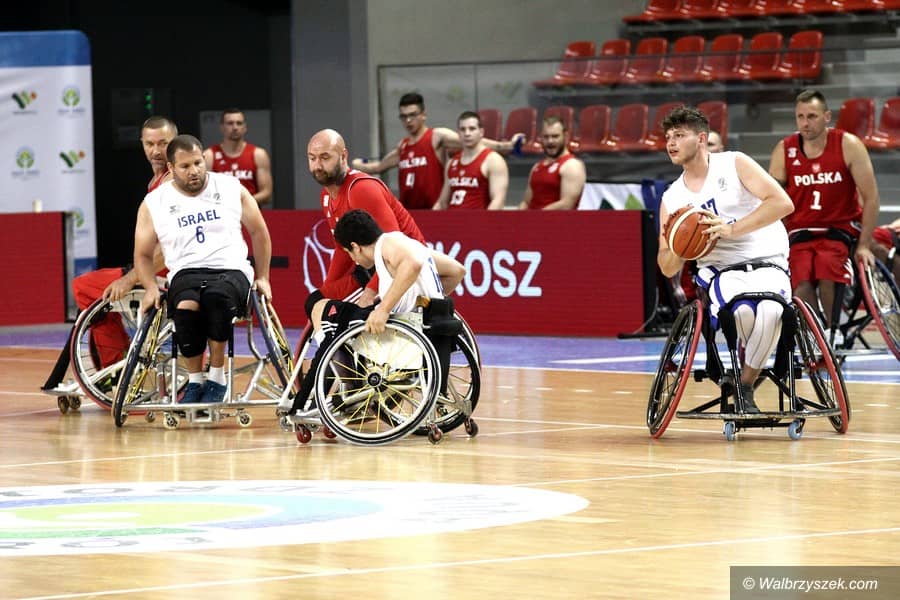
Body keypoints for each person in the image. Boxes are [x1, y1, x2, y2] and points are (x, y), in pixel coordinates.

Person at [658, 106, 794, 412]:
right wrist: (682, 245)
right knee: (743, 313)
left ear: (701, 139)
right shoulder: (672, 197)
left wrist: (731, 229)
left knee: (771, 310)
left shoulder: (734, 163)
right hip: (722, 269)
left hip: (767, 256)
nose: (671, 143)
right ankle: (747, 381)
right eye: (668, 137)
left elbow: (782, 203)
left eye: (679, 135)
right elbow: (666, 266)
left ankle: (744, 385)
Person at [41, 116, 177, 392]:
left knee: (84, 287)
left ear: (175, 142)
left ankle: (116, 365)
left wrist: (130, 279)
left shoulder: (171, 183)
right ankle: (115, 362)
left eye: (163, 143)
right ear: (142, 144)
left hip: (162, 271)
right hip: (152, 267)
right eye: (149, 144)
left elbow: (171, 247)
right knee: (93, 289)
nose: (155, 150)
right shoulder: (157, 181)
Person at [134, 134, 272, 405]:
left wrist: (264, 277)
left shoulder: (231, 188)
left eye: (198, 163)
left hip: (230, 269)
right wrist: (150, 287)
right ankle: (196, 380)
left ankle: (217, 376)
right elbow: (142, 254)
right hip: (186, 272)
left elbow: (259, 232)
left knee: (216, 299)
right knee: (185, 308)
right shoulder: (155, 202)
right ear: (171, 168)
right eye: (185, 166)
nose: (194, 171)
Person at [769, 89, 880, 330]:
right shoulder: (784, 149)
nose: (805, 123)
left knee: (828, 272)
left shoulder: (848, 145)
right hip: (799, 231)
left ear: (827, 116)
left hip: (839, 229)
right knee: (801, 283)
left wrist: (864, 245)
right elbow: (772, 199)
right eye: (800, 117)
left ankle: (833, 332)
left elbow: (871, 197)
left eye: (812, 116)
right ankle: (817, 334)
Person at [306, 128, 427, 312]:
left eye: (325, 157)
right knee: (317, 301)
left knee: (333, 311)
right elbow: (342, 249)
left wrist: (370, 293)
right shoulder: (326, 196)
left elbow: (395, 245)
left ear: (343, 156)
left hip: (401, 270)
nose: (318, 166)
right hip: (372, 268)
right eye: (312, 158)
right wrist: (328, 289)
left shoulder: (361, 189)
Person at [351, 93, 522, 209]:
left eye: (413, 115)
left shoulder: (437, 137)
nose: (408, 120)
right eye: (404, 116)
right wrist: (357, 164)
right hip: (409, 214)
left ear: (423, 115)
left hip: (432, 212)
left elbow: (471, 139)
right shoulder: (403, 146)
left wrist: (506, 146)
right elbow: (378, 167)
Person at [433, 111, 509, 210]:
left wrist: (484, 220)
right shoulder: (452, 162)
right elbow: (442, 203)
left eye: (472, 129)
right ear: (458, 133)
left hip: (478, 219)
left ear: (481, 132)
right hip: (452, 218)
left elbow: (498, 201)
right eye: (463, 129)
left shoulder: (493, 161)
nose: (467, 133)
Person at [203, 108, 273, 207]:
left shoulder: (259, 155)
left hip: (250, 212)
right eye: (230, 123)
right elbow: (203, 192)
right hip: (221, 211)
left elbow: (267, 193)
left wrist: (241, 202)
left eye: (239, 123)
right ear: (222, 127)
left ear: (245, 127)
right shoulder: (209, 155)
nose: (235, 127)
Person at [519, 115, 586, 210]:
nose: (550, 141)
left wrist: (537, 216)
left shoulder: (572, 165)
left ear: (566, 136)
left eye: (555, 136)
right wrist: (517, 217)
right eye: (546, 137)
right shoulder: (537, 167)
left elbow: (567, 204)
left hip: (553, 219)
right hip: (533, 218)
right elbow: (526, 202)